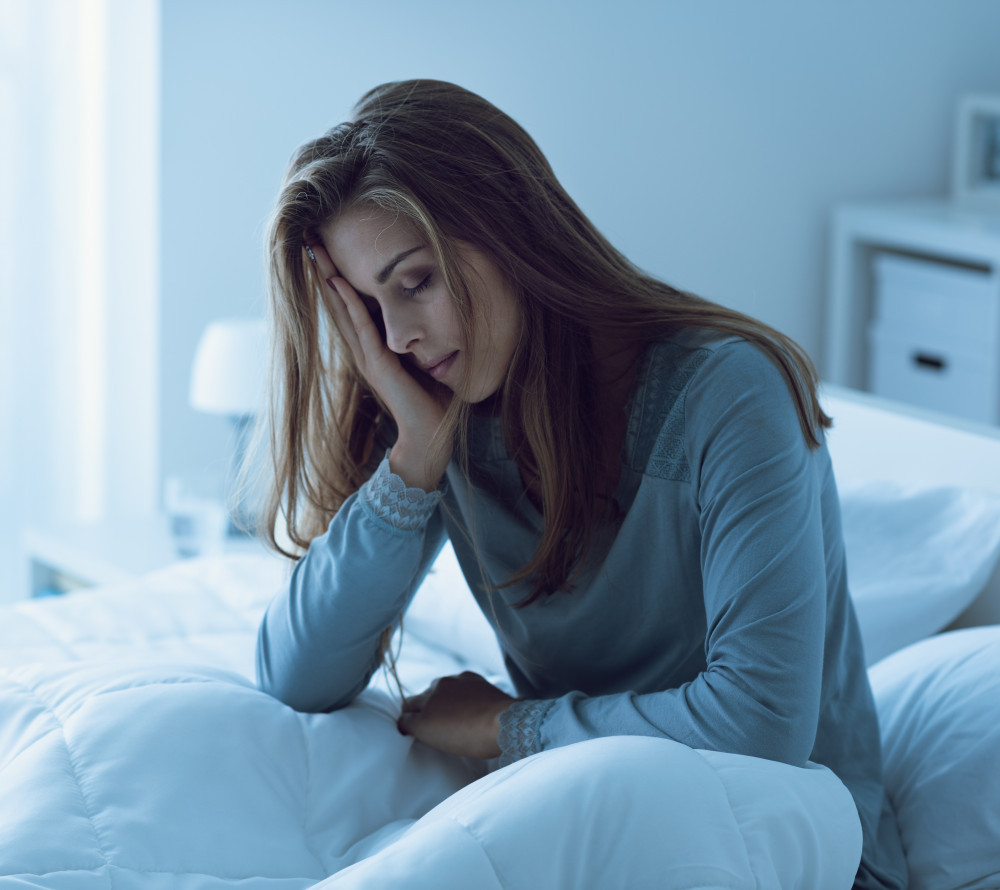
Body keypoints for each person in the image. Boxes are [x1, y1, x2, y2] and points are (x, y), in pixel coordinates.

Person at [255, 79, 907, 889]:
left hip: (796, 847)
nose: (399, 336)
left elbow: (760, 725)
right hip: (588, 824)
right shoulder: (443, 410)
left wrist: (504, 726)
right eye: (368, 307)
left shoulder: (727, 391)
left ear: (511, 231)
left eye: (415, 281)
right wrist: (414, 460)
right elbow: (295, 675)